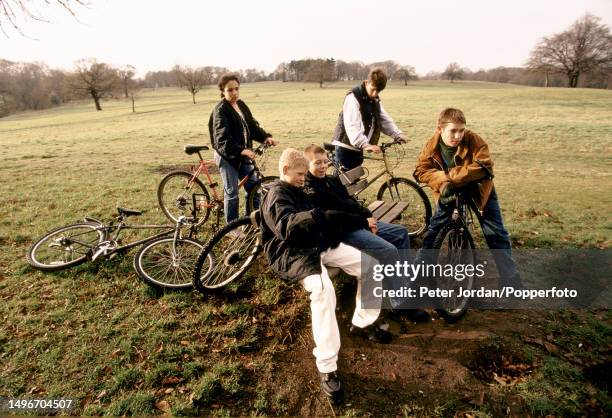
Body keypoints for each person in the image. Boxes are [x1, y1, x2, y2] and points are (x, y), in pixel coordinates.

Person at [260, 148, 392, 403]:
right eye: (299, 173)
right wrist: (319, 216)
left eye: (303, 173)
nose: (303, 177)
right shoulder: (276, 194)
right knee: (323, 291)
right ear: (285, 170)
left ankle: (363, 322)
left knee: (370, 265)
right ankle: (327, 367)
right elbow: (288, 227)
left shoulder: (299, 189)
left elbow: (324, 217)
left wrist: (347, 220)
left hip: (318, 245)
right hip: (293, 254)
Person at [302, 144, 429, 320]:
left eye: (325, 162)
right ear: (307, 165)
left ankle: (403, 287)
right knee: (388, 250)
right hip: (343, 232)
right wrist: (364, 221)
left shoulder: (332, 180)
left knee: (401, 234)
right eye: (317, 163)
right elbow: (334, 218)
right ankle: (401, 304)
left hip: (360, 222)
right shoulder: (310, 190)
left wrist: (368, 217)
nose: (323, 166)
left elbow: (350, 202)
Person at [413, 107, 523, 289]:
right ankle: (416, 279)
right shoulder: (431, 146)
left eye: (461, 130)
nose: (458, 135)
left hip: (479, 189)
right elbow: (420, 171)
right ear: (440, 129)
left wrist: (450, 177)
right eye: (453, 131)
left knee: (495, 233)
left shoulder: (474, 140)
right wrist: (442, 181)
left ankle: (511, 281)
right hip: (447, 191)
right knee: (433, 231)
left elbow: (484, 166)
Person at [208, 73, 278, 223]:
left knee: (254, 188)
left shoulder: (241, 105)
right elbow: (221, 139)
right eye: (230, 90)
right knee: (232, 192)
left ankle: (250, 220)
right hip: (227, 156)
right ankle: (232, 226)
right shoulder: (220, 111)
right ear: (222, 91)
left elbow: (252, 127)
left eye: (236, 89)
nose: (234, 93)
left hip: (243, 154)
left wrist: (266, 137)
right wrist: (241, 149)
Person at [331, 67, 408, 170]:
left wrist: (397, 134)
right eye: (373, 89)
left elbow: (384, 119)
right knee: (342, 184)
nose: (375, 94)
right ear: (367, 82)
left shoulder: (374, 99)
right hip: (345, 147)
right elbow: (352, 125)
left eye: (379, 91)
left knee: (354, 184)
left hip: (357, 148)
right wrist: (366, 145)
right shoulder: (353, 96)